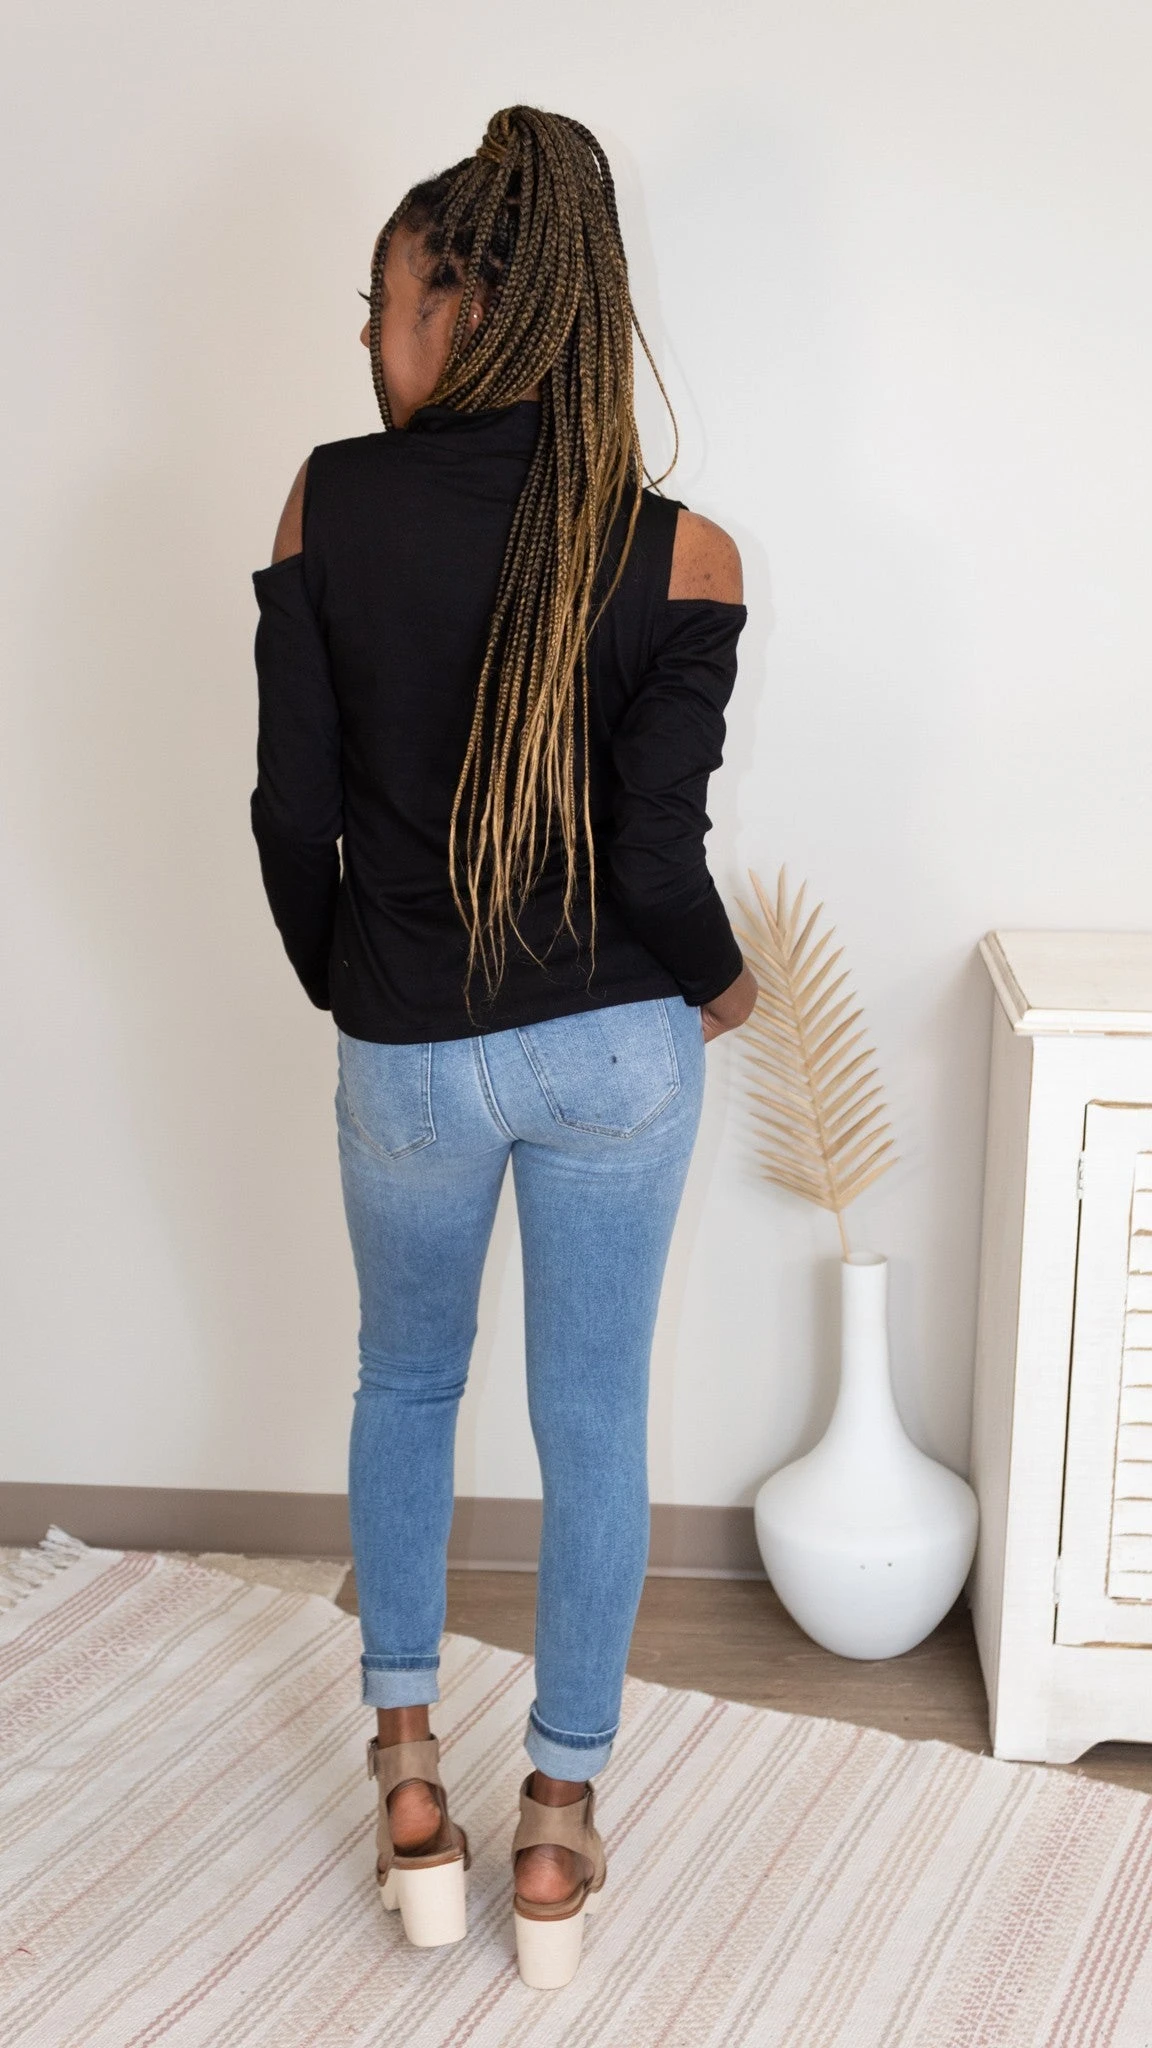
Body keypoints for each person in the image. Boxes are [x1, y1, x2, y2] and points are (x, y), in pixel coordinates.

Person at [249, 102, 758, 1990]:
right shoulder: (685, 549)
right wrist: (722, 986)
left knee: (404, 1384)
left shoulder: (326, 503)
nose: (367, 340)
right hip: (616, 1049)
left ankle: (408, 1787)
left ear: (458, 310)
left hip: (409, 1052)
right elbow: (656, 858)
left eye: (380, 304)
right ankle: (554, 1824)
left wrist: (356, 983)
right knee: (594, 1416)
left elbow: (289, 813)